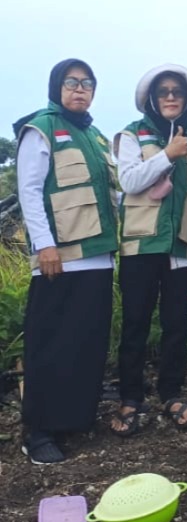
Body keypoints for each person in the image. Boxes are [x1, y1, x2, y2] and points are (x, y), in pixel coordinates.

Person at [109, 64, 187, 436]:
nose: (171, 97)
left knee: (177, 324)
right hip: (141, 246)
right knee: (136, 323)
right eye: (164, 92)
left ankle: (172, 393)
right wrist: (168, 155)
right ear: (151, 99)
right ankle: (130, 398)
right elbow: (128, 182)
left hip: (184, 246)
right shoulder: (132, 135)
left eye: (178, 91)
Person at [13, 59, 118, 463]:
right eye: (72, 82)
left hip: (98, 256)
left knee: (86, 342)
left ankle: (73, 420)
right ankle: (38, 432)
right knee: (51, 344)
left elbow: (113, 193)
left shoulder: (93, 135)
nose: (80, 89)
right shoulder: (40, 129)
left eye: (87, 83)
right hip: (60, 258)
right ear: (57, 86)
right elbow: (30, 190)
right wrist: (44, 245)